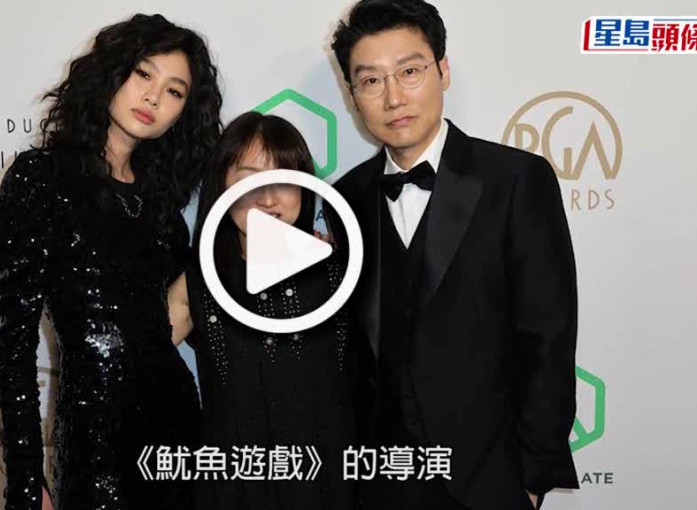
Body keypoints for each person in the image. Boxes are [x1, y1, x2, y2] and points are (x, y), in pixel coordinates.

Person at [327, 1, 579, 509]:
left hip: (490, 478)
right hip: (382, 482)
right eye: (371, 80)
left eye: (410, 71)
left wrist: (531, 479)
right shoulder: (345, 198)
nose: (393, 97)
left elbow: (548, 336)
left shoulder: (515, 179)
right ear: (352, 96)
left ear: (442, 70)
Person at [0, 14, 222, 510]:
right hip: (94, 446)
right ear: (111, 72)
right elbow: (15, 345)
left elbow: (173, 324)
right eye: (143, 73)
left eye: (174, 91)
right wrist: (26, 480)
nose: (153, 97)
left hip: (177, 435)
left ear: (183, 112)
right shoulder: (42, 177)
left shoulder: (161, 208)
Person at [167, 112, 361, 510]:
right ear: (221, 186)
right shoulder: (197, 283)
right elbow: (131, 367)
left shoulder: (341, 271)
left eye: (284, 179)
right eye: (248, 179)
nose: (268, 197)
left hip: (330, 487)